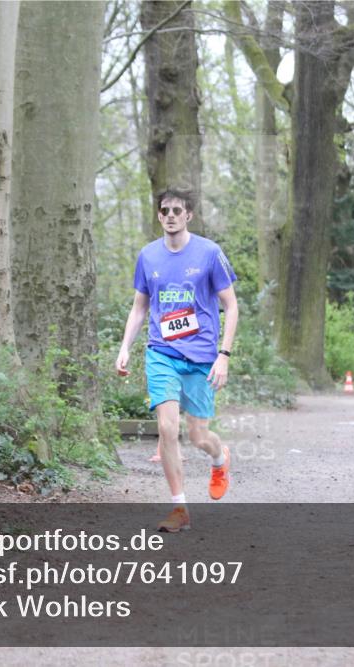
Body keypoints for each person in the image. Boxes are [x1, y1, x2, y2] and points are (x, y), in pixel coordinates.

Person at [115, 188, 238, 533]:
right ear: (159, 216)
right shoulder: (148, 256)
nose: (170, 215)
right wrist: (125, 346)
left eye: (177, 210)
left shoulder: (210, 253)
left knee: (199, 436)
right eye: (165, 210)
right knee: (168, 429)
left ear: (188, 216)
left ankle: (219, 458)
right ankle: (179, 508)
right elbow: (140, 307)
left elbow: (231, 306)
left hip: (201, 357)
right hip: (161, 354)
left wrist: (223, 356)